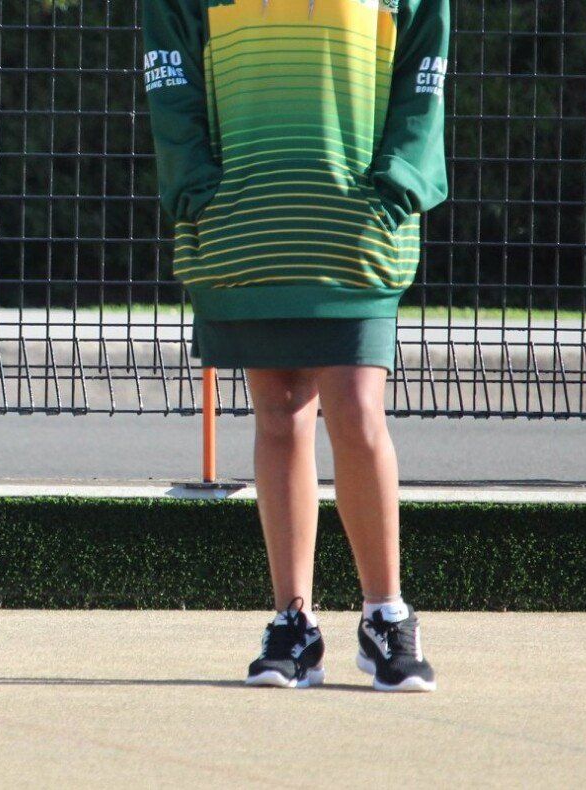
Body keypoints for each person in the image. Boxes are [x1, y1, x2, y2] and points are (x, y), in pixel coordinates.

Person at [142, 0, 450, 692]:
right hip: (246, 226)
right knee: (279, 413)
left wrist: (399, 181)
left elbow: (424, 62)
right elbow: (171, 70)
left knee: (357, 409)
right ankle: (293, 623)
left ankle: (385, 616)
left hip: (355, 228)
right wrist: (197, 189)